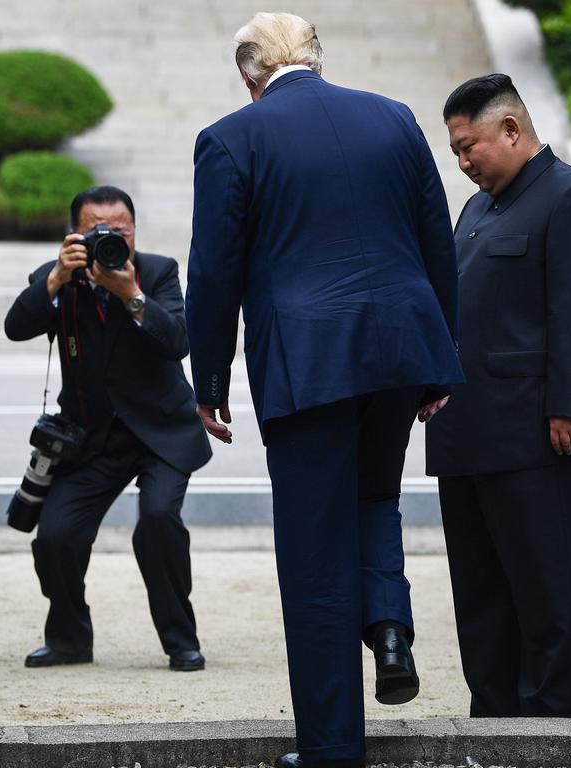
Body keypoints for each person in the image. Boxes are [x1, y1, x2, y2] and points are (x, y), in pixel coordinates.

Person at [186, 13, 463, 768]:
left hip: (308, 361)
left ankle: (333, 746)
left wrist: (209, 378)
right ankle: (392, 628)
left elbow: (213, 272)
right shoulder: (395, 118)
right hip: (402, 350)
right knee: (376, 499)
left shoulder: (232, 138)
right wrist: (440, 360)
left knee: (312, 552)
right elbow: (437, 240)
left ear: (250, 77)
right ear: (314, 57)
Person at [424, 74, 571, 718]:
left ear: (511, 129)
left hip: (539, 436)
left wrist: (570, 404)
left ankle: (561, 729)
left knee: (549, 597)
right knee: (481, 598)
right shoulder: (477, 210)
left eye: (467, 145)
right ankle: (495, 721)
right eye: (454, 150)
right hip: (468, 435)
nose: (463, 161)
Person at [4, 185, 211, 672]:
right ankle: (69, 637)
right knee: (55, 537)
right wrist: (56, 277)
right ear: (74, 233)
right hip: (90, 436)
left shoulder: (158, 272)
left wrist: (131, 295)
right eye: (96, 230)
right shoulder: (60, 277)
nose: (108, 238)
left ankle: (180, 639)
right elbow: (15, 326)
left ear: (134, 231)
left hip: (159, 432)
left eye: (119, 230)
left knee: (158, 522)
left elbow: (177, 342)